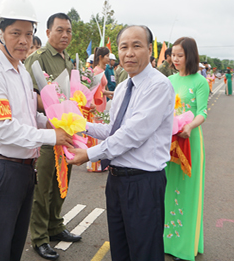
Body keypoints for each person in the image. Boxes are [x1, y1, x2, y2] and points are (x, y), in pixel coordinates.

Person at [0, 0, 73, 261]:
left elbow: (27, 117)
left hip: (23, 169)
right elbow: (3, 129)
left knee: (13, 250)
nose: (24, 41)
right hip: (1, 169)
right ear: (0, 32)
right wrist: (52, 135)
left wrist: (51, 122)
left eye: (28, 33)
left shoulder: (21, 71)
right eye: (15, 33)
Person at [68, 25, 175, 261]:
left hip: (143, 182)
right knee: (120, 249)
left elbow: (131, 135)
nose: (129, 53)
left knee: (144, 252)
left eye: (136, 46)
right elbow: (113, 129)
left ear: (150, 49)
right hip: (117, 181)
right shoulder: (125, 86)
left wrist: (88, 154)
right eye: (123, 47)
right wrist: (76, 124)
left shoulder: (158, 86)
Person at [25, 12, 82, 260]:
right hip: (48, 134)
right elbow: (29, 96)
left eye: (68, 31)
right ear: (48, 33)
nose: (65, 35)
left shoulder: (69, 62)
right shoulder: (37, 60)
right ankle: (39, 238)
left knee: (62, 183)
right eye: (60, 30)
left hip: (67, 134)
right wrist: (52, 107)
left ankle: (55, 226)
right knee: (44, 188)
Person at [165, 36, 209, 261]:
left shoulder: (199, 81)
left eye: (180, 55)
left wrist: (190, 126)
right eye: (173, 55)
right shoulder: (169, 79)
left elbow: (202, 112)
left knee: (188, 192)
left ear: (190, 56)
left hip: (189, 140)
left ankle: (185, 246)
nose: (175, 59)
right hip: (170, 141)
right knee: (167, 188)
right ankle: (167, 241)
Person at [93, 46, 113, 111]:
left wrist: (109, 95)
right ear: (100, 57)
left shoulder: (101, 70)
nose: (109, 58)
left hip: (102, 100)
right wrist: (113, 92)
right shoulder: (97, 71)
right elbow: (99, 90)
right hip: (98, 101)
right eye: (107, 56)